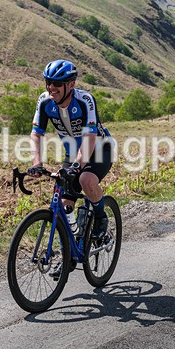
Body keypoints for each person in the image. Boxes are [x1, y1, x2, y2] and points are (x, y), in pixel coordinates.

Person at [28, 59, 114, 248]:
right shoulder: (44, 102)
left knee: (86, 180)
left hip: (99, 149)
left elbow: (90, 136)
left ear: (71, 84)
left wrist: (78, 166)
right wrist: (37, 164)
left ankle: (100, 217)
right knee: (64, 205)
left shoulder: (85, 101)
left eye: (57, 83)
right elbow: (37, 134)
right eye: (48, 82)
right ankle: (67, 252)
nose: (51, 87)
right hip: (74, 153)